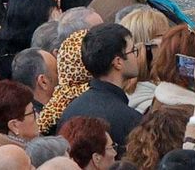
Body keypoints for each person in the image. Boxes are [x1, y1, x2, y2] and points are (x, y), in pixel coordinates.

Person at [55, 23, 142, 153]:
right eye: (133, 50)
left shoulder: (70, 111)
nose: (136, 56)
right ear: (118, 62)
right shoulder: (130, 120)